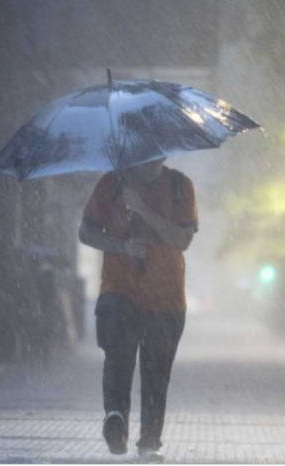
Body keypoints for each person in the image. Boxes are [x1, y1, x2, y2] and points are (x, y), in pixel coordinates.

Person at [79, 158, 198, 463]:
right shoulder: (112, 183)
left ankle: (149, 440)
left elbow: (182, 239)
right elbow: (86, 233)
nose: (150, 157)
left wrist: (144, 209)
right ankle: (115, 418)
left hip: (166, 298)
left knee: (156, 372)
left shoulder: (179, 186)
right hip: (119, 290)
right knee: (117, 355)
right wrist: (122, 246)